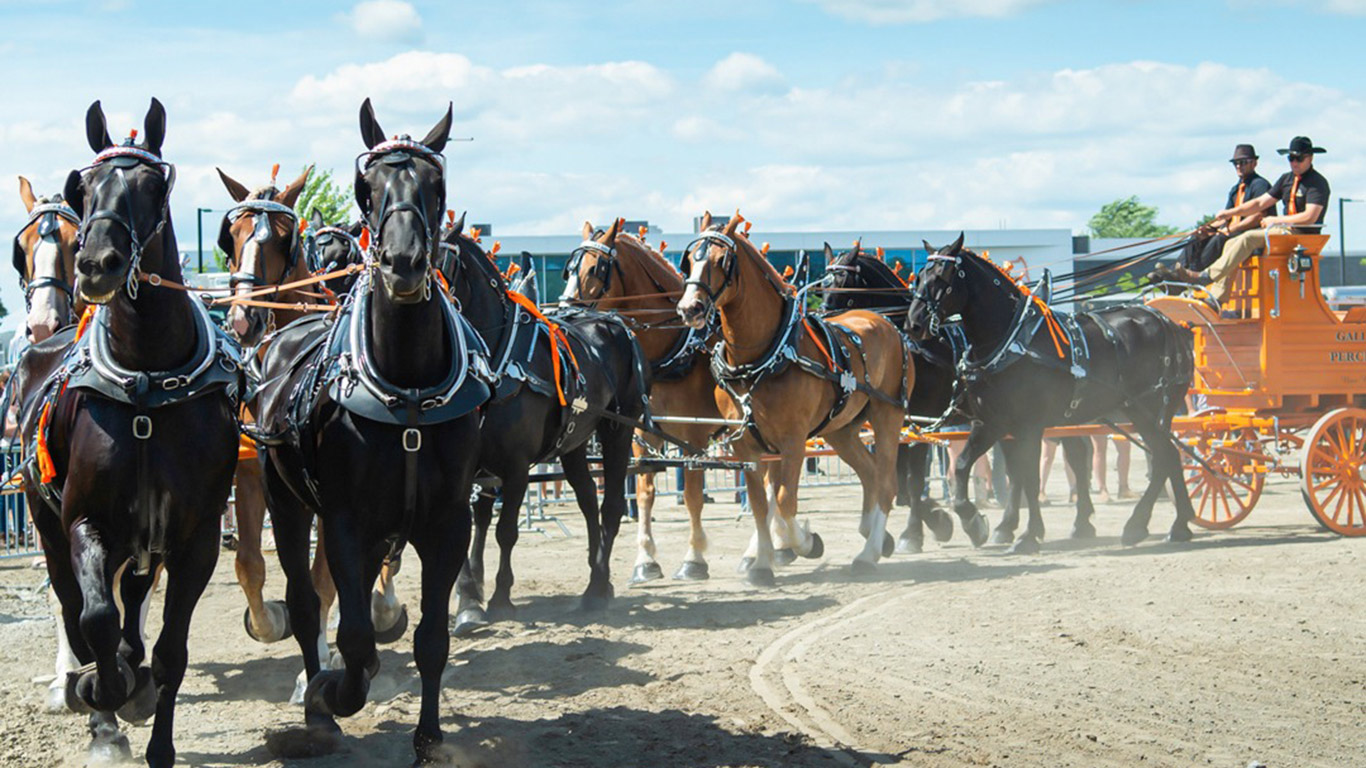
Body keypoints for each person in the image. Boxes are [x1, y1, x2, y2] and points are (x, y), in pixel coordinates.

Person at [1157, 136, 1330, 306]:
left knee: (1247, 238)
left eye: (1299, 158)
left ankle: (1205, 276)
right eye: (1291, 158)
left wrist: (1276, 220)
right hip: (1283, 233)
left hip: (1301, 236)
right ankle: (1218, 298)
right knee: (1230, 243)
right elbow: (1260, 203)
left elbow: (1310, 217)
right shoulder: (1286, 179)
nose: (1294, 163)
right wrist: (1229, 213)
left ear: (1310, 158)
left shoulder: (1317, 183)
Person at [1179, 144, 1271, 271]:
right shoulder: (1235, 189)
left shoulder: (1260, 185)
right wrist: (1208, 228)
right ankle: (1180, 270)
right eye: (1235, 163)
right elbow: (1225, 218)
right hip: (1234, 230)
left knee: (1219, 239)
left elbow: (1258, 216)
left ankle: (1195, 273)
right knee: (1197, 237)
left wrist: (1232, 229)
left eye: (1243, 162)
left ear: (1254, 163)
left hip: (1250, 232)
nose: (1238, 166)